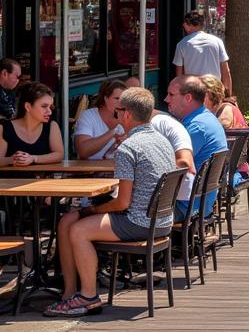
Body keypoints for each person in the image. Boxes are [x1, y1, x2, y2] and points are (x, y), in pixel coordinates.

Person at [46, 87, 176, 318]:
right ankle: (73, 292)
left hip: (139, 222)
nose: (116, 117)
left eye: (117, 113)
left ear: (126, 114)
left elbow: (122, 203)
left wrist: (92, 210)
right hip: (163, 219)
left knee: (78, 230)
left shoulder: (129, 147)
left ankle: (87, 296)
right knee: (74, 220)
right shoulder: (162, 140)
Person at [164, 76, 227, 219]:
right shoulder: (206, 119)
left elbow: (170, 164)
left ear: (188, 98)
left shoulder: (196, 127)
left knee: (132, 209)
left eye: (171, 95)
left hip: (186, 207)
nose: (166, 99)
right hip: (200, 203)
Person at [0, 81, 64, 167]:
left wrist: (33, 158)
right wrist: (13, 159)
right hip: (11, 179)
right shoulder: (5, 128)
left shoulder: (52, 126)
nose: (49, 111)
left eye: (50, 107)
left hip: (43, 180)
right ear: (28, 107)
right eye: (44, 106)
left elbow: (59, 155)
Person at [173, 10, 232, 94]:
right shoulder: (217, 41)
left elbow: (179, 75)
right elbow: (226, 71)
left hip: (193, 90)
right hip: (215, 89)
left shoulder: (182, 44)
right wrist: (228, 94)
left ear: (186, 25)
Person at [74, 79, 126, 160]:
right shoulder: (88, 116)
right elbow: (83, 151)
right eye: (117, 98)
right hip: (91, 171)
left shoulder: (128, 116)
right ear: (105, 98)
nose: (121, 103)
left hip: (118, 170)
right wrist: (113, 132)